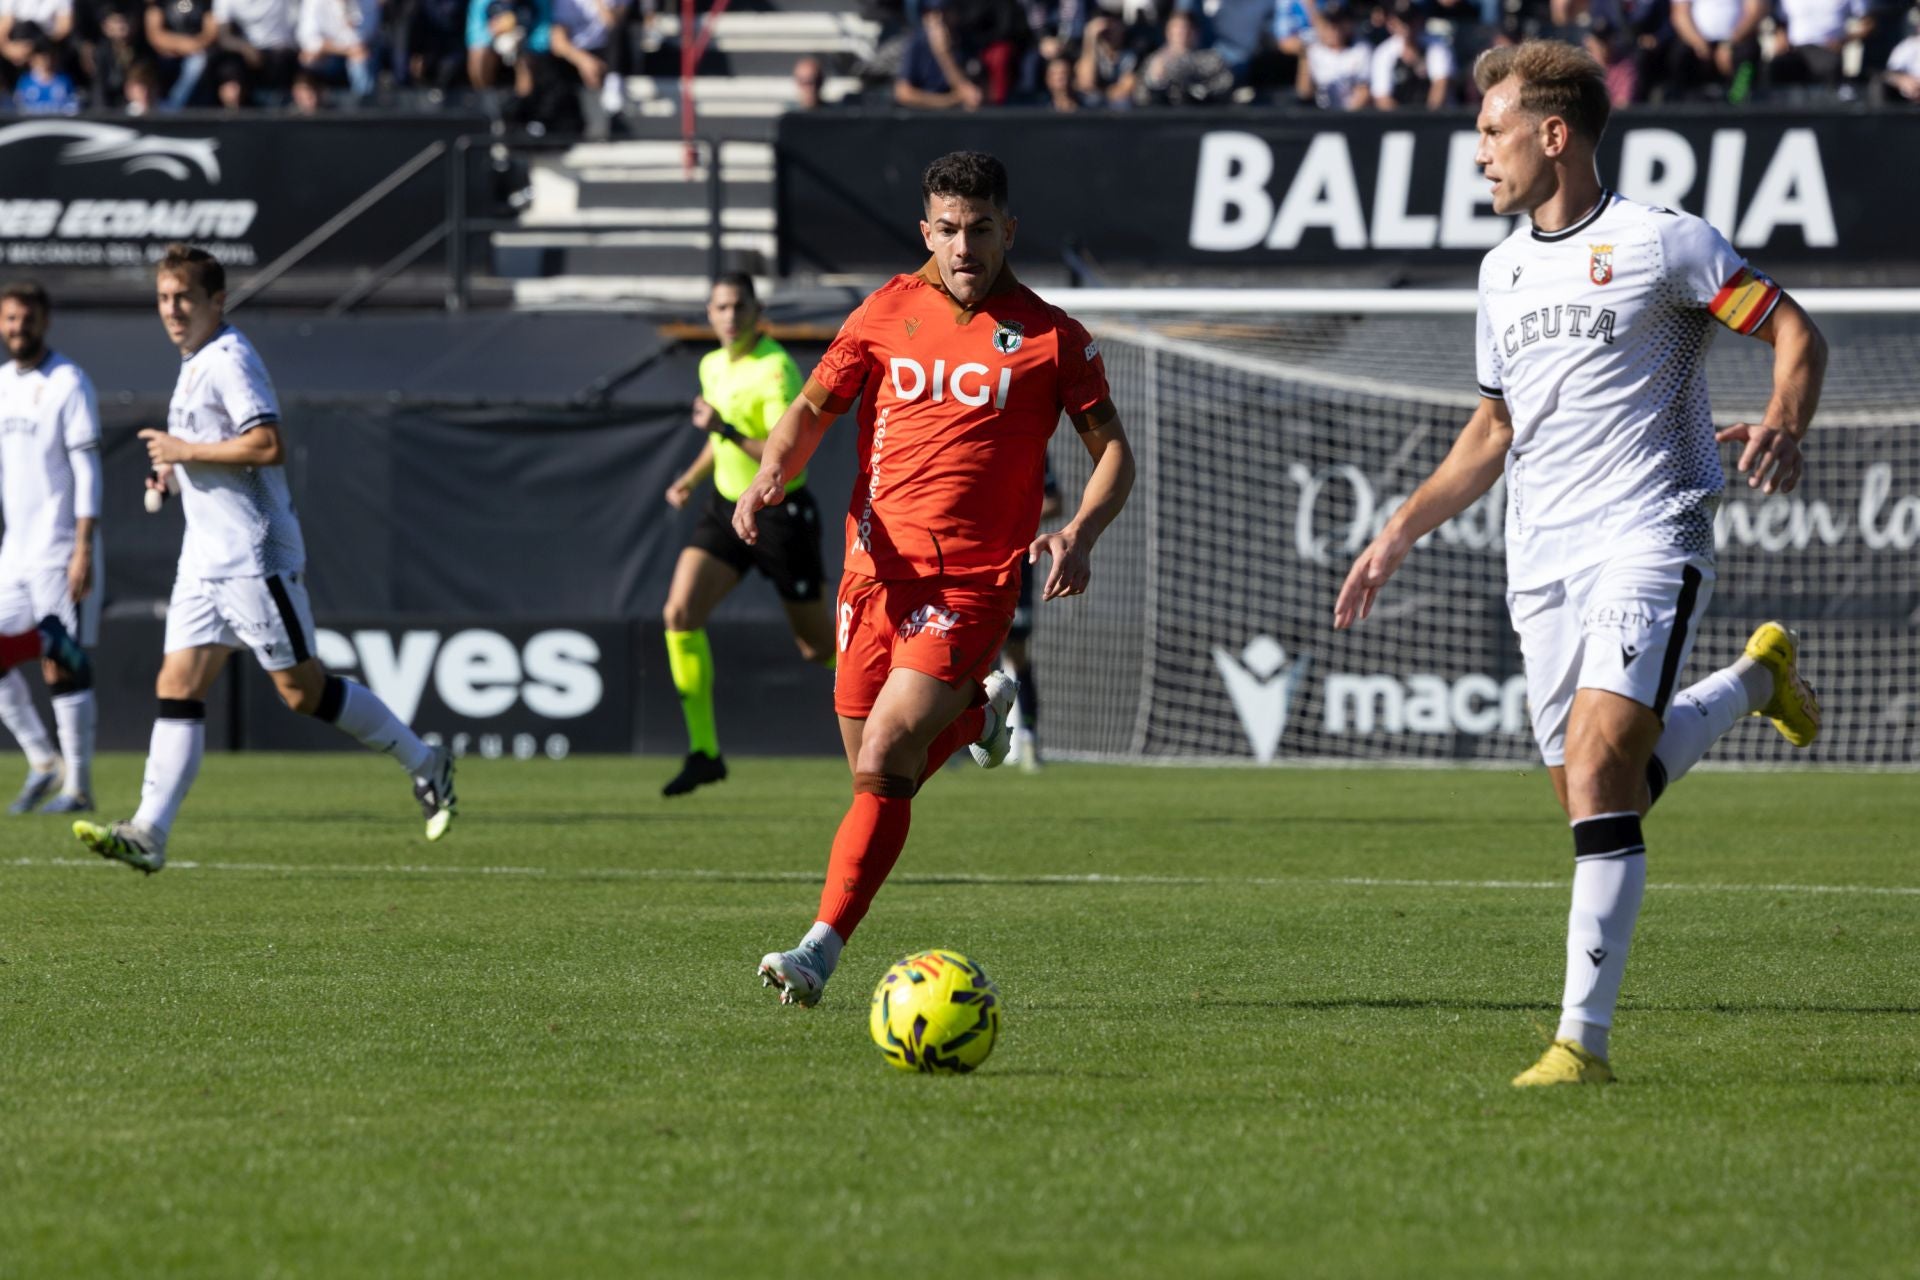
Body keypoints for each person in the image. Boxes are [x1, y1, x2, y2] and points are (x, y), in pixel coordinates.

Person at [1334, 40, 1828, 1087]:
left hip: (1652, 530)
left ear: (1552, 134)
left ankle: (1580, 1045)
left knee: (1603, 768)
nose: (1478, 153)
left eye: (1490, 131)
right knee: (1598, 793)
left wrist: (1785, 415)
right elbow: (1491, 429)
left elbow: (1793, 330)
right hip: (1540, 557)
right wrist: (1397, 530)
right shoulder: (1501, 269)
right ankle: (1753, 681)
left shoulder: (1664, 245)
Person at [744, 150, 1135, 1008]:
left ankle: (818, 950)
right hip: (870, 572)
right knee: (878, 779)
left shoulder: (1049, 336)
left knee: (886, 757)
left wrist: (1079, 530)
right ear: (927, 230)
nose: (965, 247)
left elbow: (1115, 455)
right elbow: (813, 409)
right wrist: (772, 469)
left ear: (1008, 229)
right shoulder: (886, 310)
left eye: (981, 229)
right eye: (949, 230)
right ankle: (978, 715)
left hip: (969, 586)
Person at [74, 245, 457, 875]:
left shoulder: (229, 357)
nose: (172, 310)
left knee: (302, 694)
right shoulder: (193, 362)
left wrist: (185, 448)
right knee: (177, 686)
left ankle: (425, 761)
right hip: (203, 562)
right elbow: (207, 452)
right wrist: (170, 471)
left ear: (215, 301)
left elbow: (268, 443)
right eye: (165, 298)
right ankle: (149, 832)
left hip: (255, 557)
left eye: (185, 298)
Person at [658, 273, 834, 798]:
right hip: (725, 509)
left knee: (818, 648)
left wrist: (726, 430)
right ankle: (704, 752)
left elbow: (788, 460)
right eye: (720, 307)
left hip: (780, 512)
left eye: (739, 306)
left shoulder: (776, 369)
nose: (730, 316)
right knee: (679, 614)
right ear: (709, 314)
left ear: (759, 312)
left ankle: (916, 690)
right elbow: (721, 439)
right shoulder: (712, 364)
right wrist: (689, 479)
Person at [0, 281, 101, 816]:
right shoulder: (2, 384)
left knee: (60, 662)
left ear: (46, 321)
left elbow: (87, 472)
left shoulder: (68, 382)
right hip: (14, 553)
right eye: (11, 318)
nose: (19, 328)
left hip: (60, 549)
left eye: (28, 318)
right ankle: (43, 761)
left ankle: (78, 786)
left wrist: (82, 547)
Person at [1001, 464, 1059, 769]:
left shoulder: (1034, 448)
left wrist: (1015, 518)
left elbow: (1055, 501)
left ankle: (1029, 738)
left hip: (1017, 566)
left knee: (1017, 651)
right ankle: (953, 740)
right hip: (971, 560)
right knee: (969, 654)